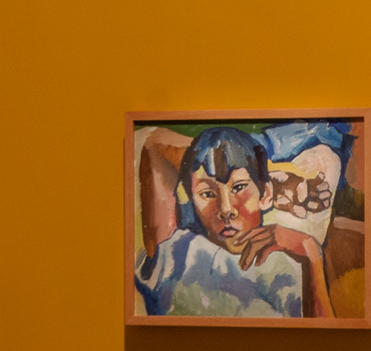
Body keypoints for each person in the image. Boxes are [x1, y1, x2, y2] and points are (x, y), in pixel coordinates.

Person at [134, 125, 333, 319]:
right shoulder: (175, 252)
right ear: (192, 200)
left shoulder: (293, 263)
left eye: (238, 188)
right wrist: (224, 157)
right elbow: (156, 146)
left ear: (265, 194)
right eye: (207, 194)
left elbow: (323, 337)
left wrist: (309, 250)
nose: (226, 209)